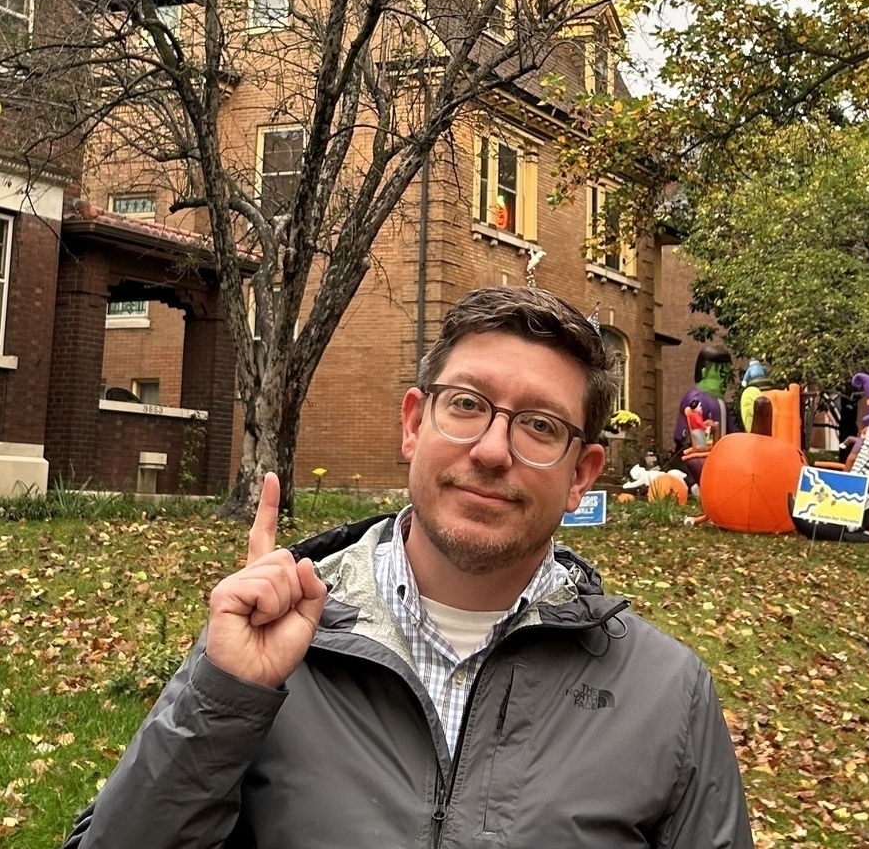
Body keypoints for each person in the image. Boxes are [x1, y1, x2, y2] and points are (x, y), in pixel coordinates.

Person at [66, 286, 754, 848]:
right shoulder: (269, 645)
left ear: (582, 475)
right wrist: (223, 699)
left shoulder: (668, 698)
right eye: (466, 406)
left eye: (540, 425)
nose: (491, 450)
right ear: (413, 424)